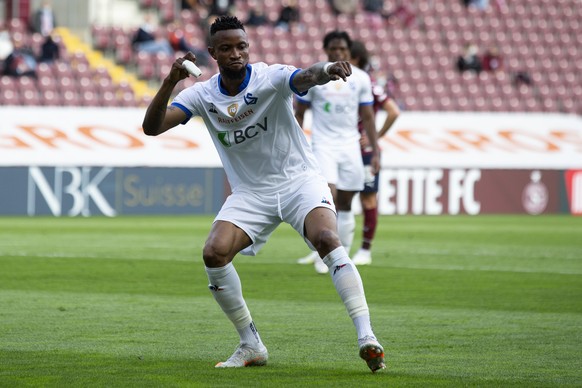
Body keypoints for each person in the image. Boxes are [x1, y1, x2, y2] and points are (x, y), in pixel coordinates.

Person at [142, 16, 385, 373]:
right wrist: (169, 81)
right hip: (251, 192)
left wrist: (328, 69)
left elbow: (304, 76)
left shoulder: (269, 76)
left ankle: (367, 337)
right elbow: (151, 128)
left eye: (241, 46)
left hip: (298, 180)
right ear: (212, 53)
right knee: (214, 252)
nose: (236, 53)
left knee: (328, 238)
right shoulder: (201, 94)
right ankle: (250, 343)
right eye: (226, 48)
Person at [294, 30, 380, 274]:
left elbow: (367, 115)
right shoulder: (315, 77)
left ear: (349, 52)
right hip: (323, 145)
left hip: (350, 146)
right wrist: (296, 143)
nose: (338, 53)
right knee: (328, 196)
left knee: (346, 202)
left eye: (342, 50)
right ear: (326, 51)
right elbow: (300, 113)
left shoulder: (361, 78)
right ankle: (324, 256)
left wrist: (375, 150)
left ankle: (342, 258)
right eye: (333, 49)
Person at [349, 40, 400, 266]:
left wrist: (374, 137)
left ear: (355, 59)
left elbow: (393, 111)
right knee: (334, 198)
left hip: (366, 152)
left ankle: (365, 250)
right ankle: (328, 248)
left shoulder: (368, 84)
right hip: (342, 149)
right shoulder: (339, 85)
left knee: (367, 198)